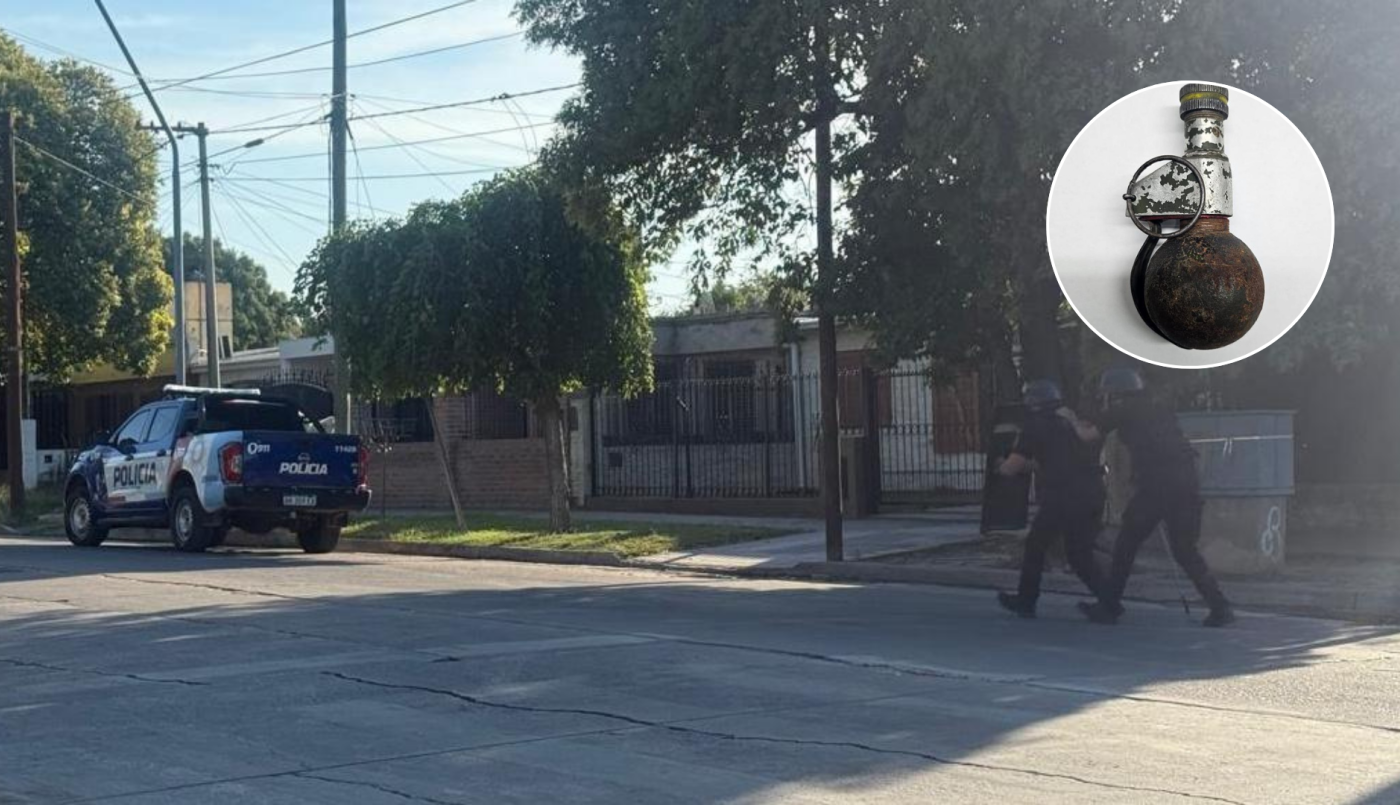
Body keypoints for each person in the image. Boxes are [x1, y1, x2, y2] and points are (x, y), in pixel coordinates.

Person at [1070, 367, 1234, 627]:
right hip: (1186, 482)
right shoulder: (1158, 407)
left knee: (1126, 544)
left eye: (1107, 395)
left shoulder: (1123, 410)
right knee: (1185, 549)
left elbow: (1088, 435)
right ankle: (1220, 606)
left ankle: (1109, 606)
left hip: (1157, 485)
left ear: (1116, 394)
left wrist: (1069, 420)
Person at [994, 379, 1114, 619]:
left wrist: (1000, 466)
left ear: (1032, 403)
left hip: (1063, 496)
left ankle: (1026, 601)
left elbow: (1011, 468)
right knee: (1079, 553)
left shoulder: (1034, 426)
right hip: (1092, 492)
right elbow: (1048, 460)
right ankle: (1109, 603)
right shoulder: (1068, 425)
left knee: (1036, 546)